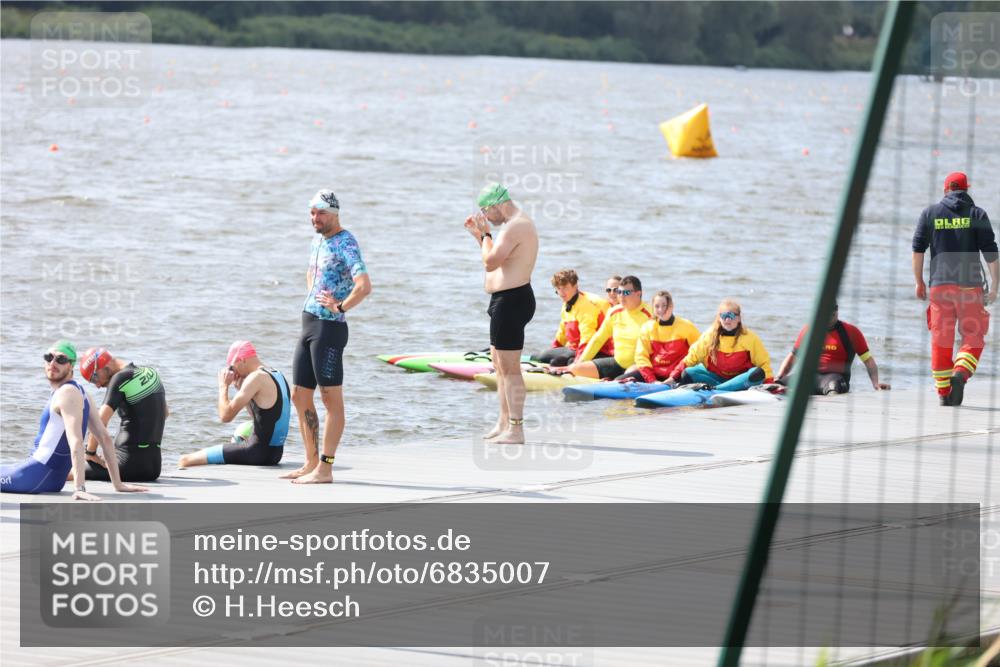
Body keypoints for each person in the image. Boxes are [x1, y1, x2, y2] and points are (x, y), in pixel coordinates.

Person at [288, 189, 372, 484]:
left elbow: (364, 285)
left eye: (321, 213)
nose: (315, 218)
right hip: (309, 322)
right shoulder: (318, 240)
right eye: (312, 212)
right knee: (299, 395)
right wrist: (315, 293)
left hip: (330, 327)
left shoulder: (346, 242)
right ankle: (310, 462)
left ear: (335, 214)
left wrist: (339, 305)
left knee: (330, 399)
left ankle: (325, 467)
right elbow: (312, 275)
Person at [1, 341, 147, 500]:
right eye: (49, 357)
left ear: (71, 366)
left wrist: (79, 488)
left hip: (34, 476)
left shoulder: (67, 393)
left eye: (60, 359)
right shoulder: (81, 392)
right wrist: (118, 484)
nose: (53, 363)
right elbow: (104, 438)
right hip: (51, 479)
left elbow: (76, 441)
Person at [912, 171, 998, 406]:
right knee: (973, 336)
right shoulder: (977, 213)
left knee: (941, 339)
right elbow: (991, 252)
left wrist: (919, 281)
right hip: (970, 286)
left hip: (940, 286)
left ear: (945, 190)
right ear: (967, 189)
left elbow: (918, 249)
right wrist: (995, 286)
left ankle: (943, 393)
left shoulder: (930, 213)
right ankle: (960, 373)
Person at [464, 183, 538, 444]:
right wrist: (479, 236)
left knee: (510, 368)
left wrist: (485, 235)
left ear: (497, 204)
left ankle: (516, 429)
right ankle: (504, 422)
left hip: (513, 301)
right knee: (499, 364)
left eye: (486, 211)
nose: (487, 218)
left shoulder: (516, 225)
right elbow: (497, 260)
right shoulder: (512, 227)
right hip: (503, 300)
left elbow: (490, 261)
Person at [178, 341, 291, 468]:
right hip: (275, 455)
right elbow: (262, 418)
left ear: (242, 360)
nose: (233, 372)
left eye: (232, 367)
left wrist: (223, 386)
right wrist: (242, 390)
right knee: (241, 431)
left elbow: (225, 416)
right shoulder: (277, 374)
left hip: (256, 453)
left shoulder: (255, 377)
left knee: (185, 459)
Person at [77, 347, 167, 482]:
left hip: (128, 465)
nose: (98, 385)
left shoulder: (120, 378)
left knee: (75, 466)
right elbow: (165, 413)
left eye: (94, 378)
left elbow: (100, 422)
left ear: (103, 364)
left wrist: (90, 453)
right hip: (154, 467)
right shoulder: (150, 373)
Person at [774, 303, 891, 394]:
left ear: (837, 312)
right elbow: (793, 357)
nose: (830, 318)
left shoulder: (851, 332)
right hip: (808, 378)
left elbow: (868, 360)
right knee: (775, 387)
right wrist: (779, 377)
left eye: (833, 315)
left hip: (834, 378)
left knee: (833, 388)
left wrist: (875, 384)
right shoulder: (809, 330)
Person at [666, 299, 773, 387]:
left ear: (739, 318)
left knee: (758, 372)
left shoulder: (750, 338)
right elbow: (691, 358)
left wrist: (769, 385)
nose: (727, 319)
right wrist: (672, 377)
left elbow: (764, 364)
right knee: (688, 372)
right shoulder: (709, 336)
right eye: (724, 315)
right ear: (719, 318)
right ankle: (722, 388)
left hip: (741, 381)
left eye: (731, 315)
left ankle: (717, 389)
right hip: (716, 379)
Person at [567, 276, 653, 379]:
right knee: (575, 369)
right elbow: (598, 339)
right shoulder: (614, 312)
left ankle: (614, 382)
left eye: (625, 293)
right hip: (617, 363)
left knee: (620, 380)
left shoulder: (650, 315)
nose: (621, 296)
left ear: (638, 294)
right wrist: (579, 362)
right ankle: (608, 381)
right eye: (619, 292)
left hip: (639, 366)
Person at [618, 291, 700, 383]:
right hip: (654, 375)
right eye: (657, 306)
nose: (660, 309)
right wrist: (652, 381)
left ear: (671, 306)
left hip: (678, 375)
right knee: (619, 380)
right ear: (653, 308)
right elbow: (641, 357)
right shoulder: (647, 328)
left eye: (664, 305)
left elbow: (699, 352)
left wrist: (673, 377)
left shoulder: (686, 326)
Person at [532, 269, 604, 367]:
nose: (561, 292)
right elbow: (562, 333)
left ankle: (571, 362)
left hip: (594, 350)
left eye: (565, 287)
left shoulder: (586, 305)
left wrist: (578, 362)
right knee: (537, 357)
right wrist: (554, 350)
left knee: (554, 361)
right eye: (558, 288)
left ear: (575, 286)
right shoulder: (567, 304)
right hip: (574, 348)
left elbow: (588, 338)